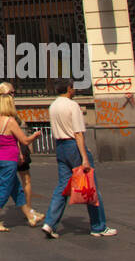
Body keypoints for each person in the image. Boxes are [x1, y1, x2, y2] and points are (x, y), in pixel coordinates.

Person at [41, 80, 117, 238]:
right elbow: (78, 133)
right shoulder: (72, 106)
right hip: (74, 146)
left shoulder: (53, 106)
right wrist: (84, 157)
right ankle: (98, 226)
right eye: (73, 88)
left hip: (60, 147)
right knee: (90, 186)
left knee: (62, 186)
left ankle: (50, 223)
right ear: (69, 89)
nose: (74, 90)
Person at [0, 84, 44, 231]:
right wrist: (35, 136)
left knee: (16, 188)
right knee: (4, 189)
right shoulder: (10, 121)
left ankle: (30, 216)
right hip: (9, 160)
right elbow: (24, 140)